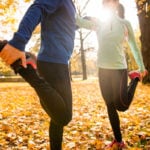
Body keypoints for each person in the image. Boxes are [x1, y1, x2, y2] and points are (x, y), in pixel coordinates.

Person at [0, 0, 76, 150]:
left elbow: (66, 24)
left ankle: (29, 67)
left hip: (57, 61)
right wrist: (18, 42)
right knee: (63, 116)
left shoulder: (69, 4)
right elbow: (38, 7)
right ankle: (26, 70)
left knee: (56, 118)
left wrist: (85, 21)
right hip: (53, 61)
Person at [76, 0, 148, 149]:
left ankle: (134, 78)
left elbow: (134, 46)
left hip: (119, 69)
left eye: (111, 2)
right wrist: (66, 7)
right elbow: (78, 22)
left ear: (116, 4)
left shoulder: (124, 23)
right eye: (105, 2)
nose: (107, 4)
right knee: (109, 105)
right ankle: (119, 140)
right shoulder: (99, 24)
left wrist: (141, 67)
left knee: (122, 105)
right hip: (103, 70)